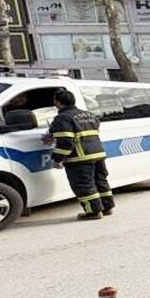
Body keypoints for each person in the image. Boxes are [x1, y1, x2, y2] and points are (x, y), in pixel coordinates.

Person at [43, 88, 113, 221]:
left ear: (57, 102)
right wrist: (54, 132)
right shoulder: (88, 114)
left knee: (84, 185)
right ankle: (107, 208)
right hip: (98, 153)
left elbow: (66, 142)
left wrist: (57, 159)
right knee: (100, 181)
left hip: (80, 157)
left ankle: (93, 212)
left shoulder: (62, 118)